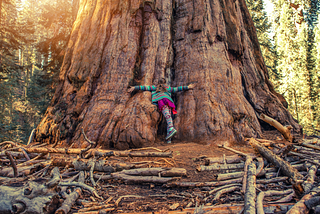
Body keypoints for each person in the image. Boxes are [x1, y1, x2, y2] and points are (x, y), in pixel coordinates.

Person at [128, 78, 195, 142]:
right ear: (165, 83)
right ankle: (169, 138)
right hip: (168, 101)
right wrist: (188, 87)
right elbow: (177, 89)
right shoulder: (168, 88)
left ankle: (171, 128)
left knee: (167, 116)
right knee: (168, 116)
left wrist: (134, 87)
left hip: (161, 101)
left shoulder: (154, 87)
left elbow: (144, 87)